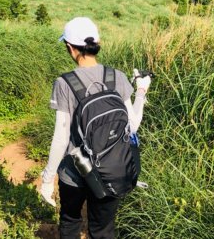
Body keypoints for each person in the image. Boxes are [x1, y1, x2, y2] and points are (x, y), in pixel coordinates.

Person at [38, 17, 151, 239]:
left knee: (70, 221)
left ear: (70, 48)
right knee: (103, 229)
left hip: (74, 172)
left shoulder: (65, 83)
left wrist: (47, 178)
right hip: (111, 170)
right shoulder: (116, 76)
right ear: (96, 44)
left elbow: (61, 138)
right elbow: (133, 126)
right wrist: (141, 91)